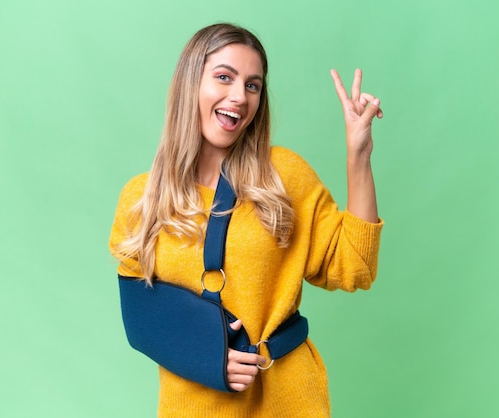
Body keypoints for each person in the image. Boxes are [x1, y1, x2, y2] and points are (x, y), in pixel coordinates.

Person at [109, 23, 384, 417]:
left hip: (290, 399)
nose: (239, 97)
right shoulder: (141, 199)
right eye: (224, 77)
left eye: (253, 85)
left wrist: (358, 157)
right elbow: (142, 316)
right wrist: (206, 354)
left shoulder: (283, 175)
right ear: (190, 84)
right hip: (192, 406)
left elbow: (356, 267)